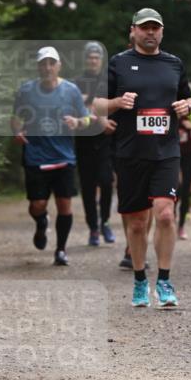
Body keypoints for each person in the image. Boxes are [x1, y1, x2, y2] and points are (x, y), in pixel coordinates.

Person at [92, 8, 191, 308]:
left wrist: (188, 105)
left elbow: (189, 97)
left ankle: (164, 280)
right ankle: (139, 280)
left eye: (155, 28)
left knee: (164, 214)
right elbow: (97, 105)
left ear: (162, 32)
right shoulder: (118, 63)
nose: (150, 33)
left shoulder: (174, 63)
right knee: (136, 222)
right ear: (133, 32)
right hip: (130, 153)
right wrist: (117, 102)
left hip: (166, 152)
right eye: (144, 28)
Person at [11, 46, 89, 266]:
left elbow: (86, 118)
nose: (47, 67)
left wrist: (77, 123)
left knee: (65, 205)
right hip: (35, 156)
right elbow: (15, 117)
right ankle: (41, 222)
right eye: (43, 63)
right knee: (37, 204)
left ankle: (61, 250)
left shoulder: (71, 90)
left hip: (64, 157)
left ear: (58, 66)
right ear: (38, 66)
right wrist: (17, 131)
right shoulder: (26, 90)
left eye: (51, 63)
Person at [73, 41, 116, 246]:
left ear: (101, 60)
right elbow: (82, 105)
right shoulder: (77, 81)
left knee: (107, 181)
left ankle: (105, 222)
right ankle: (93, 228)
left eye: (96, 57)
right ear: (85, 59)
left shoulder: (107, 80)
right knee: (88, 186)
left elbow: (113, 104)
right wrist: (100, 116)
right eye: (89, 57)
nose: (92, 60)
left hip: (106, 140)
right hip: (84, 139)